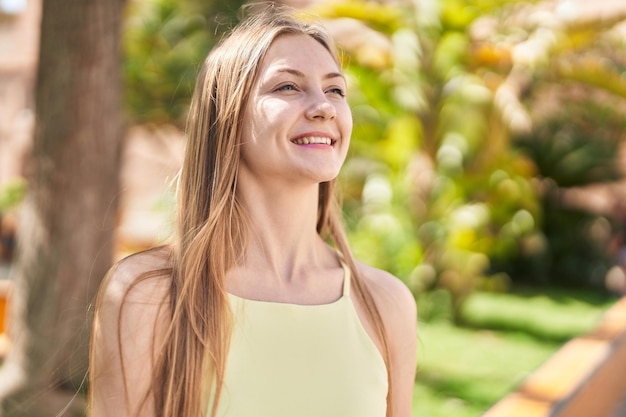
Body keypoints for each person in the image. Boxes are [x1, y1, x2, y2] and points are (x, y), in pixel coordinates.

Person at [89, 5, 417, 417]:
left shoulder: (386, 304)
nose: (325, 107)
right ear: (227, 117)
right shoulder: (150, 296)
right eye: (288, 87)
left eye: (335, 90)